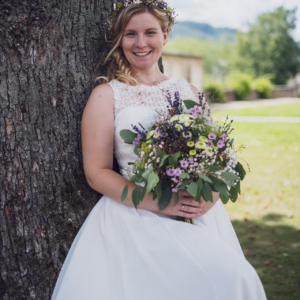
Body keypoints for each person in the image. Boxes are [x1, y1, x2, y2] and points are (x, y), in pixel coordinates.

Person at [52, 1, 267, 299]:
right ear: (120, 39)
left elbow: (218, 159)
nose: (141, 43)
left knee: (236, 278)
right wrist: (163, 203)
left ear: (166, 34)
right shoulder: (106, 95)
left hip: (196, 211)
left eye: (150, 32)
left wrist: (209, 199)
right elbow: (96, 173)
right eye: (131, 34)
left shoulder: (189, 93)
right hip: (135, 214)